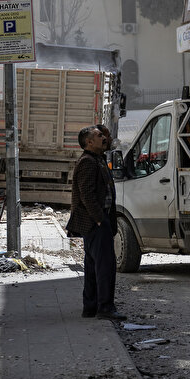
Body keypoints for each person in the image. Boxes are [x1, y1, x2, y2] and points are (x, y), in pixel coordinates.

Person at [68, 125, 123, 320]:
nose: (104, 138)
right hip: (95, 222)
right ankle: (105, 308)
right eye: (99, 136)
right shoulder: (88, 162)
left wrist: (106, 135)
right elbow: (87, 195)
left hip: (97, 221)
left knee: (93, 266)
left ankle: (90, 306)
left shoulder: (97, 159)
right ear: (89, 142)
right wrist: (100, 219)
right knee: (104, 266)